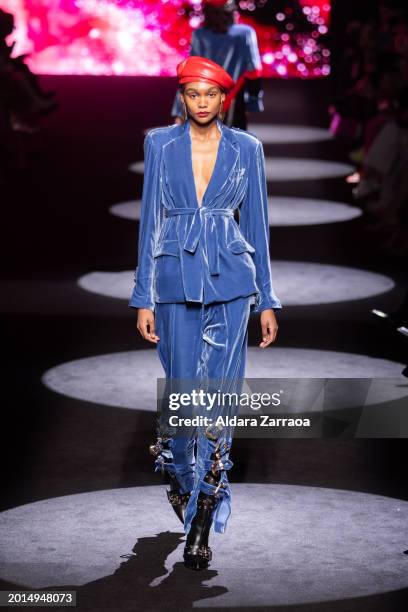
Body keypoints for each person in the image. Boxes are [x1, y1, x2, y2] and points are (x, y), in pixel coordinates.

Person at [129, 55, 282, 570]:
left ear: (224, 98)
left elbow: (257, 223)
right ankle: (181, 477)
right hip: (172, 279)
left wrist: (267, 299)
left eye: (209, 94)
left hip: (232, 281)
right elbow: (150, 218)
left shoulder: (247, 149)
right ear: (182, 96)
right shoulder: (159, 143)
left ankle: (201, 519)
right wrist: (142, 295)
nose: (200, 102)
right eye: (192, 94)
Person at [171, 0, 264, 130]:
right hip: (234, 100)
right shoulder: (245, 33)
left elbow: (190, 74)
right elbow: (254, 71)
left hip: (202, 99)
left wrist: (180, 111)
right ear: (231, 10)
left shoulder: (199, 34)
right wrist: (254, 101)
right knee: (234, 145)